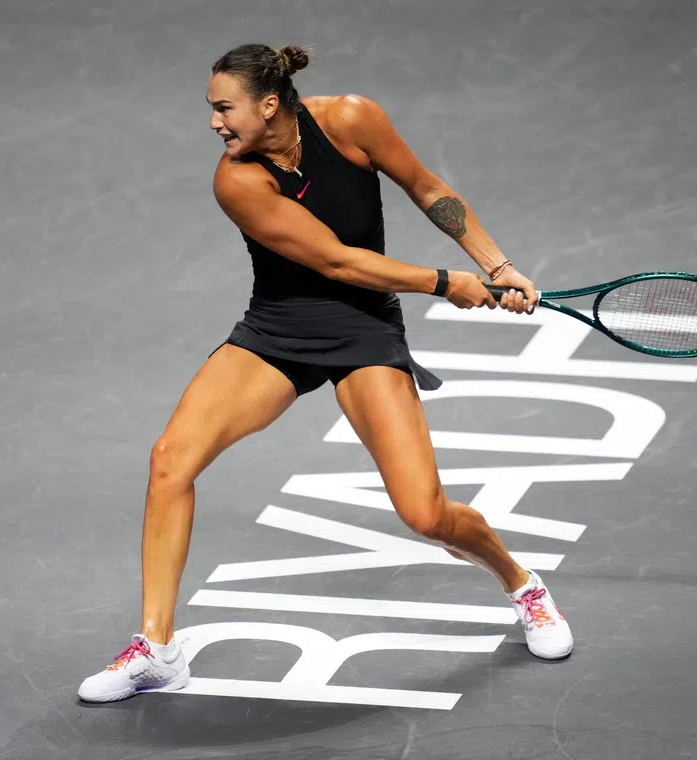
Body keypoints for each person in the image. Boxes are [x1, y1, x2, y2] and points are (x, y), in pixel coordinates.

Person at [77, 43, 572, 704]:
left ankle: (521, 584)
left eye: (225, 108)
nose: (214, 123)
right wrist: (447, 281)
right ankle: (157, 648)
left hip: (363, 328)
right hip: (280, 327)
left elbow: (428, 189)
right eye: (212, 110)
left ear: (271, 102)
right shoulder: (238, 180)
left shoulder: (352, 119)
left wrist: (497, 263)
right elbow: (336, 261)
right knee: (171, 460)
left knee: (425, 514)